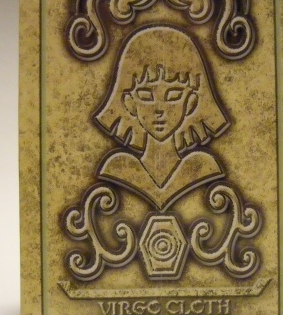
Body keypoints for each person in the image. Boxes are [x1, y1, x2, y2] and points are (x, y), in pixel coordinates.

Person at [94, 25, 229, 210]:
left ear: (191, 103)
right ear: (129, 103)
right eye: (146, 96)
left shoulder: (204, 165)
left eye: (173, 96)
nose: (160, 110)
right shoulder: (116, 166)